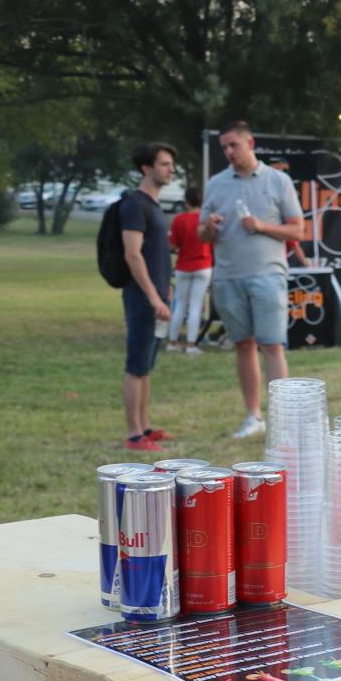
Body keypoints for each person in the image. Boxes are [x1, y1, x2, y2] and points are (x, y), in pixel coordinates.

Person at [200, 121, 306, 438]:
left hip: (267, 275)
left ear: (251, 143)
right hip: (228, 275)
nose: (229, 152)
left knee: (272, 345)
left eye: (234, 145)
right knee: (243, 345)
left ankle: (284, 422)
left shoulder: (278, 181)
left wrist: (261, 226)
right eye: (224, 148)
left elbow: (298, 231)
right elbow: (201, 234)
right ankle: (253, 417)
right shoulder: (216, 184)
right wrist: (210, 227)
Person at [118, 143, 177, 451]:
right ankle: (133, 435)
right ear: (146, 168)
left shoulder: (154, 205)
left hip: (158, 297)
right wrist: (154, 297)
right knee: (136, 365)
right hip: (143, 298)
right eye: (165, 164)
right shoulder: (134, 205)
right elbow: (133, 255)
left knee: (147, 365)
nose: (171, 169)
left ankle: (145, 427)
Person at [167, 184, 212, 355]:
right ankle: (191, 345)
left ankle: (173, 342)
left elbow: (172, 245)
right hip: (203, 266)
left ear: (186, 201)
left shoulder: (179, 220)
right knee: (196, 306)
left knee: (180, 305)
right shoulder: (205, 220)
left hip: (183, 266)